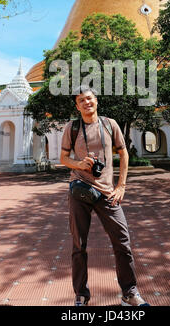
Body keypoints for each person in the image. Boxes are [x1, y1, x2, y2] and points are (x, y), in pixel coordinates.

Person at [60, 86, 150, 307]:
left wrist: (122, 185)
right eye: (81, 100)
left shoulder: (110, 124)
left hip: (108, 193)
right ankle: (81, 294)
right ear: (77, 105)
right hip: (80, 189)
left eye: (89, 99)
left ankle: (129, 294)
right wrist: (79, 164)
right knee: (78, 245)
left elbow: (123, 152)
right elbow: (63, 157)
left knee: (122, 241)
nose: (86, 103)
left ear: (96, 100)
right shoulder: (72, 128)